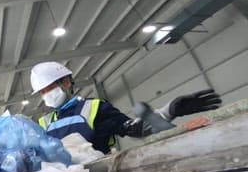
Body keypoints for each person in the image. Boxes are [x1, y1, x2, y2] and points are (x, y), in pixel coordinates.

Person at [30, 61, 221, 154]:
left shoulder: (95, 108)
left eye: (50, 88)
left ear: (66, 82)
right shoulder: (42, 124)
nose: (46, 94)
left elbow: (135, 129)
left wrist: (170, 110)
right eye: (42, 91)